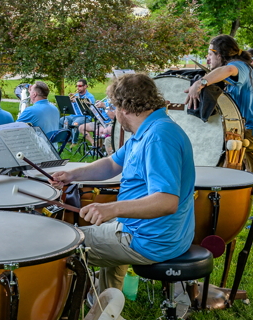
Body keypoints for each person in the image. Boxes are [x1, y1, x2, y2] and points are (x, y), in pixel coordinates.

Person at [49, 74, 196, 292]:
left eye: (114, 107)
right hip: (142, 229)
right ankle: (106, 307)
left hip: (149, 239)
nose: (115, 113)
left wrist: (111, 209)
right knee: (101, 236)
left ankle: (70, 311)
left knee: (59, 244)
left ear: (124, 107)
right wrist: (72, 175)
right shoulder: (148, 129)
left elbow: (166, 202)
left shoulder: (158, 137)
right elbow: (111, 164)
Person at [186, 35, 253, 248]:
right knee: (234, 173)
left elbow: (228, 71)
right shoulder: (247, 69)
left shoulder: (238, 66)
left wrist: (199, 84)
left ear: (221, 55)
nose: (208, 58)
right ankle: (224, 221)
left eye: (211, 54)